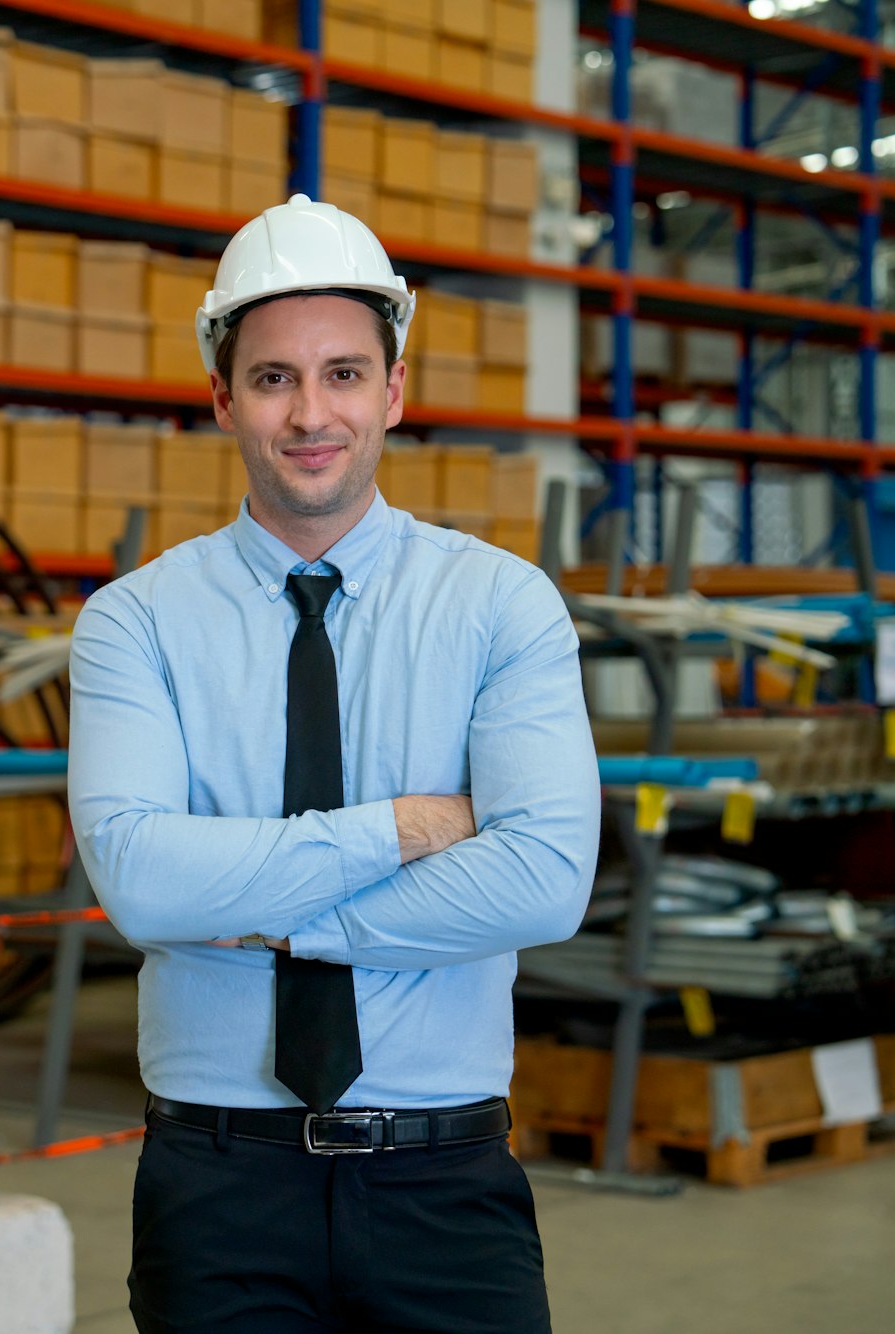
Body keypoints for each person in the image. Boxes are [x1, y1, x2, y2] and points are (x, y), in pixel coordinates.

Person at [65, 194, 600, 1333]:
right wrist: (399, 827)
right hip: (216, 1188)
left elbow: (544, 878)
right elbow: (142, 883)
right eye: (272, 378)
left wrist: (268, 911)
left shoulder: (499, 604)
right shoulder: (134, 622)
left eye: (344, 373)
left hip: (441, 1181)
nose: (310, 413)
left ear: (394, 390)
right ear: (222, 397)